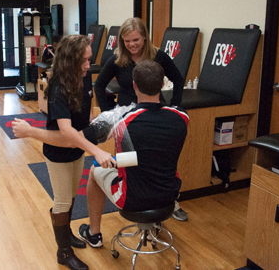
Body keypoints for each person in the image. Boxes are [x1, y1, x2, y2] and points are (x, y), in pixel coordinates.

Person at [13, 60, 188, 249]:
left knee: (95, 171)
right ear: (162, 84)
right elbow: (154, 151)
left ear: (134, 85)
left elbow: (70, 140)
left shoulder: (119, 119)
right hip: (170, 194)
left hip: (133, 198)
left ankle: (94, 233)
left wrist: (30, 131)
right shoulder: (181, 117)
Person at [23, 34, 114, 270]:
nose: (88, 65)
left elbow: (86, 106)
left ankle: (68, 234)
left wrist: (95, 117)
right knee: (62, 200)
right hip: (59, 150)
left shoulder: (84, 76)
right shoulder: (58, 87)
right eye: (83, 61)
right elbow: (65, 130)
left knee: (72, 193)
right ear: (70, 61)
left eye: (89, 59)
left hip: (77, 148)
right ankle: (63, 252)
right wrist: (96, 150)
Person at [93, 17, 189, 221]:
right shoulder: (118, 59)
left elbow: (178, 79)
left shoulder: (158, 56)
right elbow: (99, 86)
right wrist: (109, 114)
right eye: (127, 41)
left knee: (160, 157)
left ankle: (169, 202)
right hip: (128, 116)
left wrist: (176, 106)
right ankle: (135, 197)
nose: (132, 45)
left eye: (135, 40)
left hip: (155, 111)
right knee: (130, 161)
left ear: (144, 37)